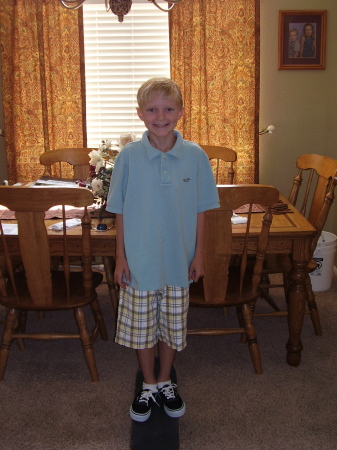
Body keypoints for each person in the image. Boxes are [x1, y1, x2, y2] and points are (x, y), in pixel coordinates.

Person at [106, 77, 219, 422]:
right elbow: (120, 210)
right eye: (152, 109)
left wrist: (198, 254)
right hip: (140, 264)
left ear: (181, 112)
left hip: (178, 263)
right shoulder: (128, 156)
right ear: (140, 114)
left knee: (172, 327)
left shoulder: (196, 156)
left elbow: (201, 209)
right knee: (142, 330)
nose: (161, 116)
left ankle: (167, 379)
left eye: (168, 109)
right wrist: (121, 258)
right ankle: (149, 383)